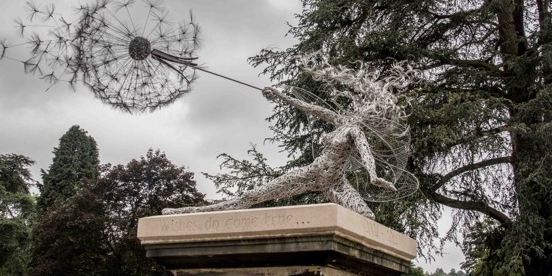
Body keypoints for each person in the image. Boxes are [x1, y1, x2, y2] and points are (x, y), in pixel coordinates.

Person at [162, 56, 417, 220]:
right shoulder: (339, 121)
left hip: (336, 183)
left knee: (366, 216)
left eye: (366, 113)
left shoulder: (355, 132)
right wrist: (280, 96)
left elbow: (366, 154)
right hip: (313, 172)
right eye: (361, 109)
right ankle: (191, 212)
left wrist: (374, 176)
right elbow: (309, 107)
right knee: (252, 196)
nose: (360, 112)